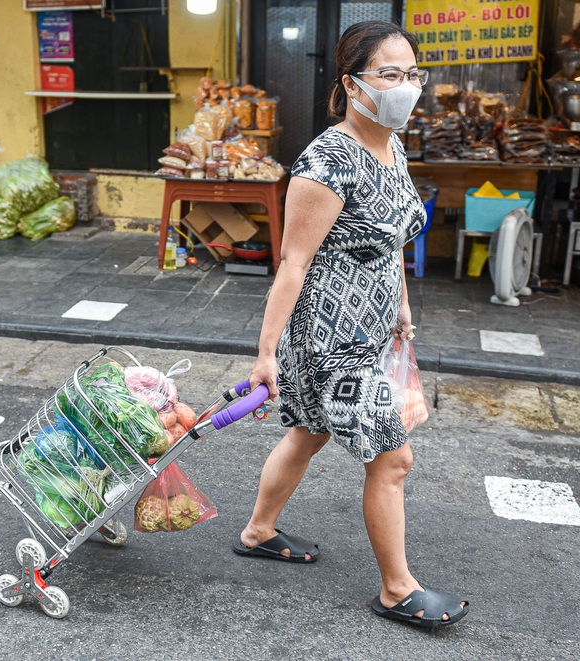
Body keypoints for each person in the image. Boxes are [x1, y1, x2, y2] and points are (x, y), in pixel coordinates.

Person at [232, 20, 469, 629]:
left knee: (308, 434)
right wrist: (266, 355)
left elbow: (389, 241)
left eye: (411, 74)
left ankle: (258, 531)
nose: (404, 86)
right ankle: (397, 589)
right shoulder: (328, 160)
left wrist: (402, 305)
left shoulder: (393, 146)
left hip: (374, 328)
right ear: (351, 83)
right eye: (388, 74)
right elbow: (292, 263)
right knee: (393, 460)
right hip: (333, 342)